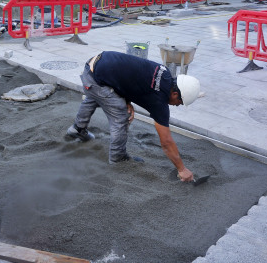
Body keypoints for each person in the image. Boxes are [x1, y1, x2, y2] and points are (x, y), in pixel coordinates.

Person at [65, 51, 201, 182]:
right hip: (96, 80)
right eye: (180, 103)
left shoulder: (163, 71)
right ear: (176, 94)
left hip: (94, 64)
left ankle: (77, 129)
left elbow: (131, 77)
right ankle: (118, 158)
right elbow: (166, 142)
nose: (177, 105)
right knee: (122, 114)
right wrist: (182, 169)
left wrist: (127, 100)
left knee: (96, 97)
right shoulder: (159, 102)